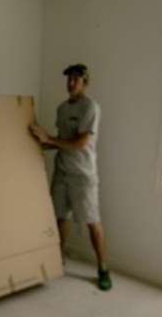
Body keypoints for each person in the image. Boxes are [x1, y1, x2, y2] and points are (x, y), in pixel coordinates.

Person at [29, 63, 111, 291]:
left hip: (83, 175)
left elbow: (80, 142)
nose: (71, 83)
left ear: (85, 81)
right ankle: (57, 259)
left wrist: (50, 139)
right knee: (59, 217)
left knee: (93, 222)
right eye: (68, 79)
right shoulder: (62, 108)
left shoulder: (90, 107)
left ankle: (103, 268)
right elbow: (61, 141)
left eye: (76, 79)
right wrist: (39, 143)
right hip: (62, 171)